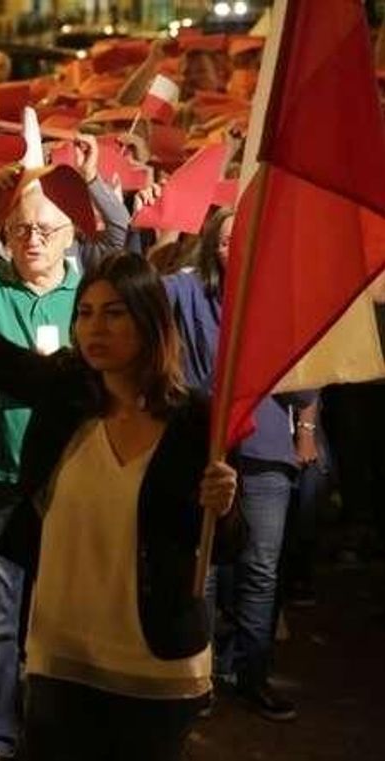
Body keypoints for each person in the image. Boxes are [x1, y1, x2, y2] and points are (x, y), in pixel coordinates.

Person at [0, 174, 245, 760]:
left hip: (155, 664)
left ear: (150, 322)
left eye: (114, 315)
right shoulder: (66, 391)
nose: (94, 328)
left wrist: (224, 507)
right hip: (63, 657)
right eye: (85, 314)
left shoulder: (191, 421)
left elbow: (224, 545)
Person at [0, 136, 129, 761]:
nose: (32, 238)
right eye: (21, 229)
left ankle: (55, 731)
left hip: (71, 488)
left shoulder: (91, 299)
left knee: (65, 621)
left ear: (71, 237)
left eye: (45, 228)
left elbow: (122, 241)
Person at [162, 208, 314, 722]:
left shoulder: (281, 301)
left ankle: (252, 674)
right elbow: (145, 295)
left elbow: (306, 380)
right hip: (207, 446)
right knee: (201, 563)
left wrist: (307, 432)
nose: (235, 249)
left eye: (245, 239)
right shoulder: (187, 292)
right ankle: (196, 673)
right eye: (225, 240)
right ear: (211, 247)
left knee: (260, 568)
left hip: (267, 447)